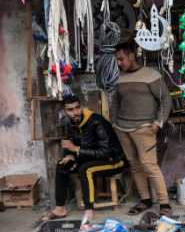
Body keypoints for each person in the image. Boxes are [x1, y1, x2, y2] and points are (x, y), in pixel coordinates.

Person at [39, 95, 124, 225]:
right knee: (62, 164)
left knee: (86, 169)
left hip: (113, 160)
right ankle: (60, 208)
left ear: (81, 106)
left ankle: (89, 211)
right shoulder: (68, 123)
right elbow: (70, 144)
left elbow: (105, 152)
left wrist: (76, 150)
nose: (75, 112)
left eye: (77, 108)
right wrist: (70, 155)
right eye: (70, 110)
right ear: (65, 111)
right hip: (88, 158)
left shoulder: (96, 121)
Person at [112, 41, 173, 216]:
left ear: (132, 56)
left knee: (149, 166)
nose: (119, 63)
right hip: (123, 128)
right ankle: (145, 200)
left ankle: (164, 204)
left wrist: (158, 122)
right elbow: (115, 102)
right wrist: (114, 123)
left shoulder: (151, 75)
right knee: (135, 165)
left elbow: (165, 100)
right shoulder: (120, 77)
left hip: (144, 127)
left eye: (121, 59)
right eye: (117, 60)